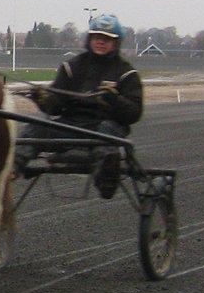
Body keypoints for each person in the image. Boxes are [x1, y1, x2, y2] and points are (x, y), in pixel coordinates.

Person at [14, 14, 143, 198]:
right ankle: (12, 168)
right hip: (70, 126)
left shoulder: (126, 73)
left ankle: (106, 178)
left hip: (105, 128)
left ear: (115, 43)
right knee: (36, 126)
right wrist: (42, 99)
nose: (100, 42)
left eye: (106, 39)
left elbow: (134, 113)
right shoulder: (72, 67)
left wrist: (114, 100)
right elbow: (55, 107)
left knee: (106, 131)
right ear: (90, 39)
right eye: (97, 37)